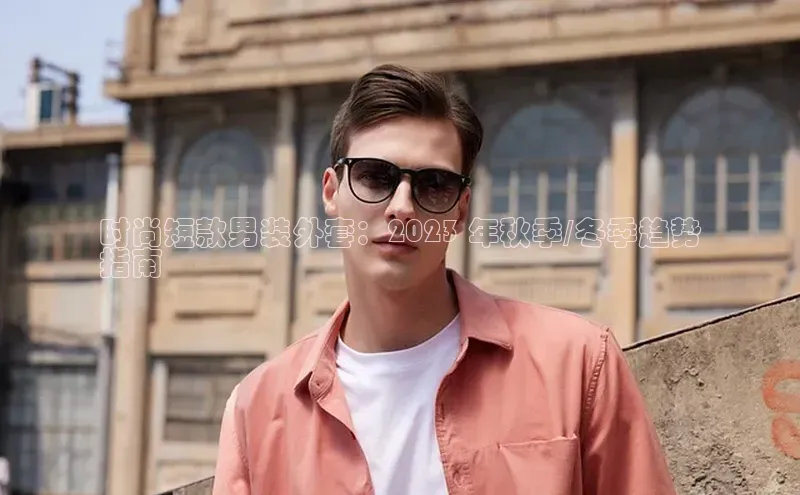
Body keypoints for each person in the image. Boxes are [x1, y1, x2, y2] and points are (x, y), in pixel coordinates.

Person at [212, 64, 677, 495]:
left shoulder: (577, 364)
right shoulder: (258, 409)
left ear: (460, 211)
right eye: (375, 177)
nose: (402, 208)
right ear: (332, 192)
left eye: (434, 185)